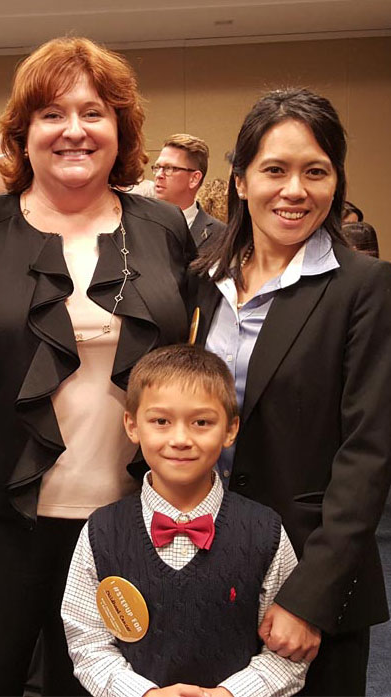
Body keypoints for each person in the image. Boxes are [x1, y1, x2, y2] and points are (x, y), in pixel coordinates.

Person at [0, 36, 194, 697]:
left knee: (105, 686)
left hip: (129, 520)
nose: (74, 131)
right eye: (51, 113)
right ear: (22, 132)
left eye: (94, 112)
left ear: (120, 128)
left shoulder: (162, 229)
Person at [189, 87, 391, 696]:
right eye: (274, 169)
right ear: (241, 181)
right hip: (199, 564)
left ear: (337, 183)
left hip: (309, 575)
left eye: (316, 172)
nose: (295, 190)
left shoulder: (364, 288)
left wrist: (311, 597)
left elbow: (368, 454)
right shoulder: (202, 282)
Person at [62, 344, 308, 697]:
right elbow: (88, 642)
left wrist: (230, 694)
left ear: (230, 429)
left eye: (202, 422)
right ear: (132, 425)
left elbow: (286, 652)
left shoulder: (264, 531)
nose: (180, 439)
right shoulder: (101, 532)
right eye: (161, 421)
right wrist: (142, 694)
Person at [152, 134, 226, 247]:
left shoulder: (221, 236)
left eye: (169, 168)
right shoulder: (138, 225)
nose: (158, 175)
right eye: (157, 167)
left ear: (194, 179)